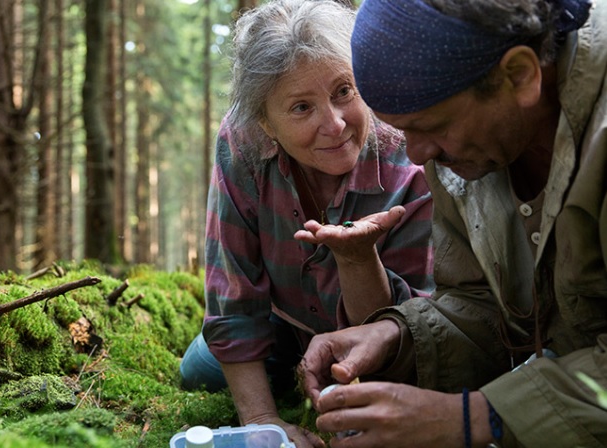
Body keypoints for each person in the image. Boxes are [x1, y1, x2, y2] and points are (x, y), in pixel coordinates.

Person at [300, 0, 607, 446]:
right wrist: (397, 335)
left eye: (431, 126)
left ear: (519, 75)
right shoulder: (468, 149)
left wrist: (475, 418)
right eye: (403, 131)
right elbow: (481, 302)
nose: (419, 154)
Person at [178, 1, 435, 447]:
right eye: (301, 107)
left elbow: (410, 325)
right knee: (199, 372)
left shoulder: (408, 154)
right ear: (266, 123)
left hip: (382, 337)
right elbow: (233, 297)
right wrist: (262, 420)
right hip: (281, 323)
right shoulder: (241, 142)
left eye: (344, 91)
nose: (333, 125)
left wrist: (357, 259)